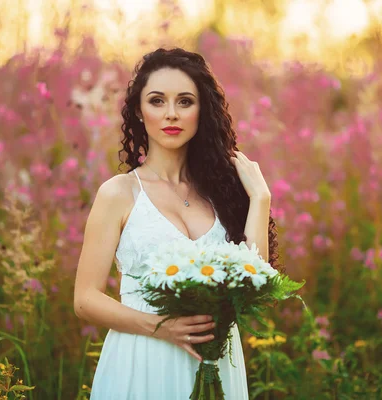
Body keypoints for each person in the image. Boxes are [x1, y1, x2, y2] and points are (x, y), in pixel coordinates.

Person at [73, 47, 279, 400]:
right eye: (157, 101)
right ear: (139, 111)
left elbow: (252, 283)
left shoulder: (222, 194)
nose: (171, 114)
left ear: (203, 111)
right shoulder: (119, 193)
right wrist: (161, 327)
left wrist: (260, 198)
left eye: (185, 101)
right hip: (142, 360)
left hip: (218, 362)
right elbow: (85, 299)